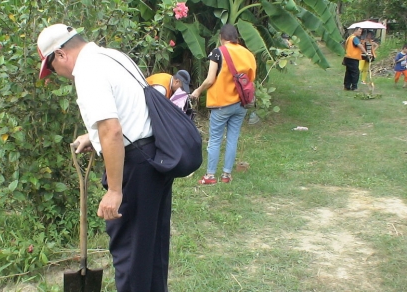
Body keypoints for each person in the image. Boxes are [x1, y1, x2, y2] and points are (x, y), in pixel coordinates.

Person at [36, 24, 174, 292]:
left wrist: (114, 190)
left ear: (61, 54)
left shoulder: (87, 71)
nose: (57, 74)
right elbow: (131, 108)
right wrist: (93, 137)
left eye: (51, 67)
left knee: (131, 256)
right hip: (154, 159)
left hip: (135, 166)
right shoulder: (114, 57)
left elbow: (112, 130)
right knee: (151, 251)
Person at [190, 24, 256, 185]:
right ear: (236, 38)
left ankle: (210, 176)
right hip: (241, 103)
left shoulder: (217, 52)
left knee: (215, 140)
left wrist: (198, 91)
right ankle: (226, 175)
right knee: (232, 139)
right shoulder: (248, 54)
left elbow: (210, 79)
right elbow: (250, 79)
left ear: (221, 37)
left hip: (221, 103)